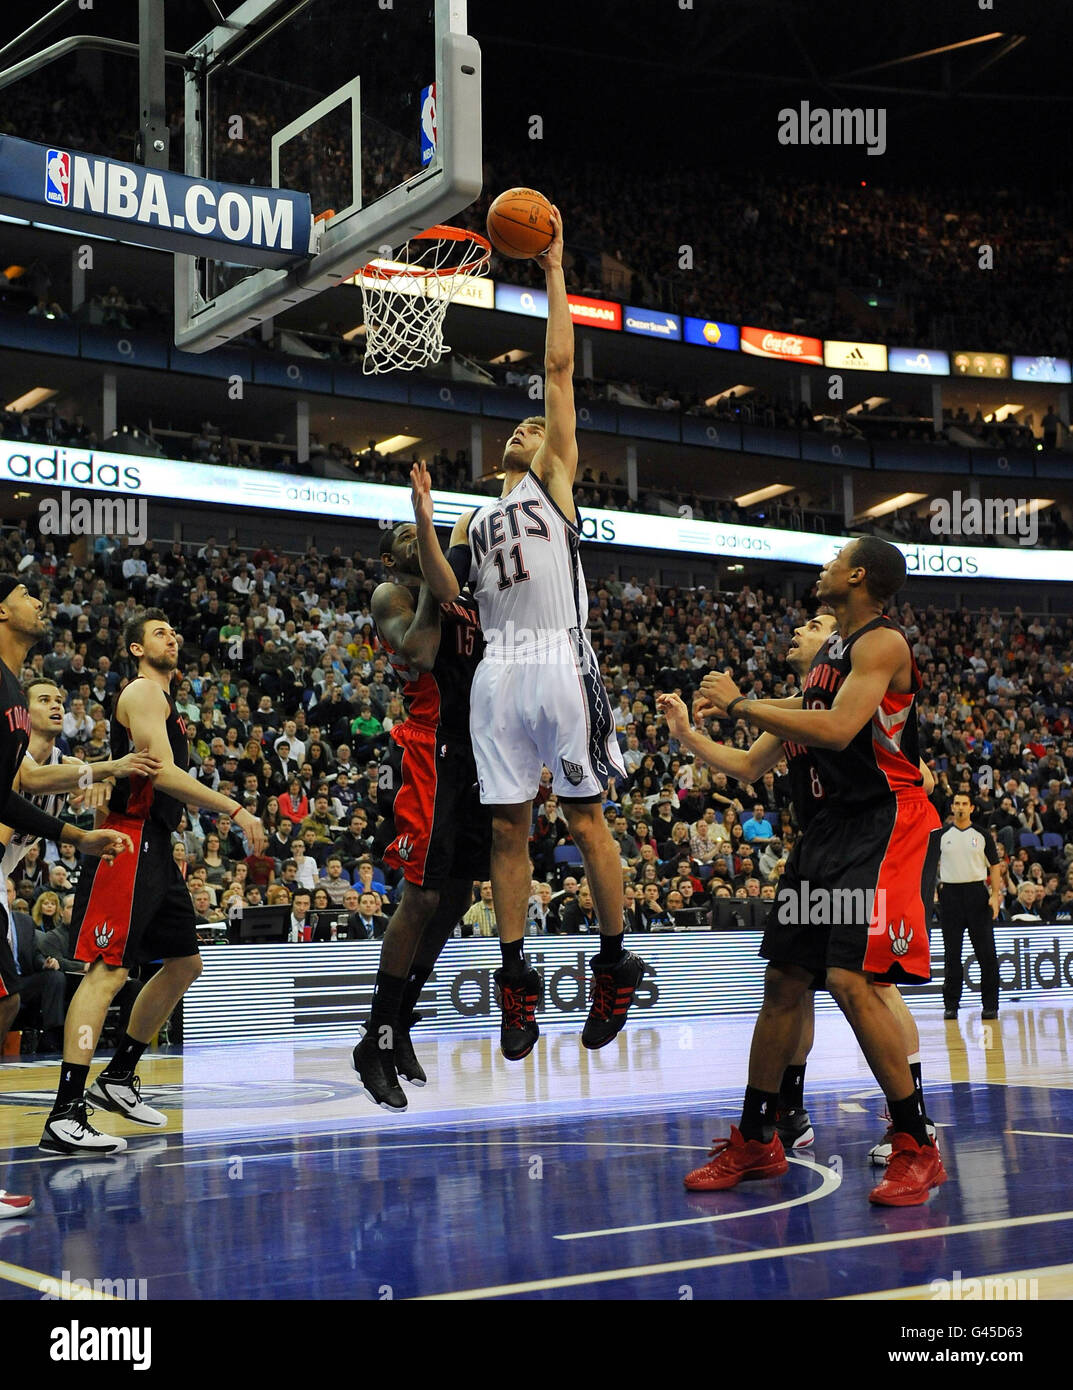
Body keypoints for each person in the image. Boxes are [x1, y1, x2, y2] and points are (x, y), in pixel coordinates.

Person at [411, 206, 644, 1060]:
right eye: (516, 427)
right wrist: (429, 526)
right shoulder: (480, 518)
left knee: (585, 823)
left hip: (557, 657)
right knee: (508, 830)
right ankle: (516, 986)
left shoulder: (553, 479)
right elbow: (449, 599)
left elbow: (554, 367)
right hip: (497, 673)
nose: (526, 428)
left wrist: (550, 269)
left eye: (535, 426)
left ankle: (616, 964)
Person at [686, 538, 944, 1206]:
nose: (822, 568)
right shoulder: (825, 658)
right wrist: (698, 732)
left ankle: (916, 1143)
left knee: (850, 979)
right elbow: (752, 763)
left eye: (834, 559)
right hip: (824, 836)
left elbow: (834, 729)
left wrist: (740, 705)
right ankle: (757, 1136)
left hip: (882, 824)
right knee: (784, 978)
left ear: (856, 575)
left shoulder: (882, 643)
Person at [39, 609, 266, 1156]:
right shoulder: (142, 691)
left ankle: (118, 1076)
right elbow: (160, 772)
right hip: (127, 842)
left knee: (185, 964)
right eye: (160, 633)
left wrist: (177, 836)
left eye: (175, 631)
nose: (174, 637)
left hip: (156, 846)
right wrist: (234, 809)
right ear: (136, 649)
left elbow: (161, 786)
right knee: (106, 974)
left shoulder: (167, 703)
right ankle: (65, 1113)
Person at [0, 578, 135, 1214]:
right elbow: (22, 782)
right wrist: (105, 774)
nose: (42, 605)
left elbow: (19, 786)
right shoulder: (13, 711)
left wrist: (80, 826)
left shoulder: (27, 721)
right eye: (29, 595)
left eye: (59, 698)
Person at [351, 522, 491, 1109]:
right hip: (429, 743)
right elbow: (419, 649)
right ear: (389, 557)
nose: (420, 536)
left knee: (457, 896)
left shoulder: (463, 589)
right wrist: (440, 570)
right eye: (410, 535)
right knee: (422, 897)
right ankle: (375, 1038)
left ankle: (400, 1024)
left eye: (426, 532)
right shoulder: (394, 595)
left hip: (476, 745)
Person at [938, 792, 1003, 1020]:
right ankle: (951, 1005)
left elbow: (995, 866)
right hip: (951, 895)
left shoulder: (982, 834)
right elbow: (928, 865)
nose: (960, 807)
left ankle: (990, 1005)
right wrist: (935, 891)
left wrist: (995, 895)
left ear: (972, 808)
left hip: (977, 894)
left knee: (986, 954)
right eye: (957, 803)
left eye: (965, 804)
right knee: (952, 954)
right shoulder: (941, 835)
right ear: (952, 807)